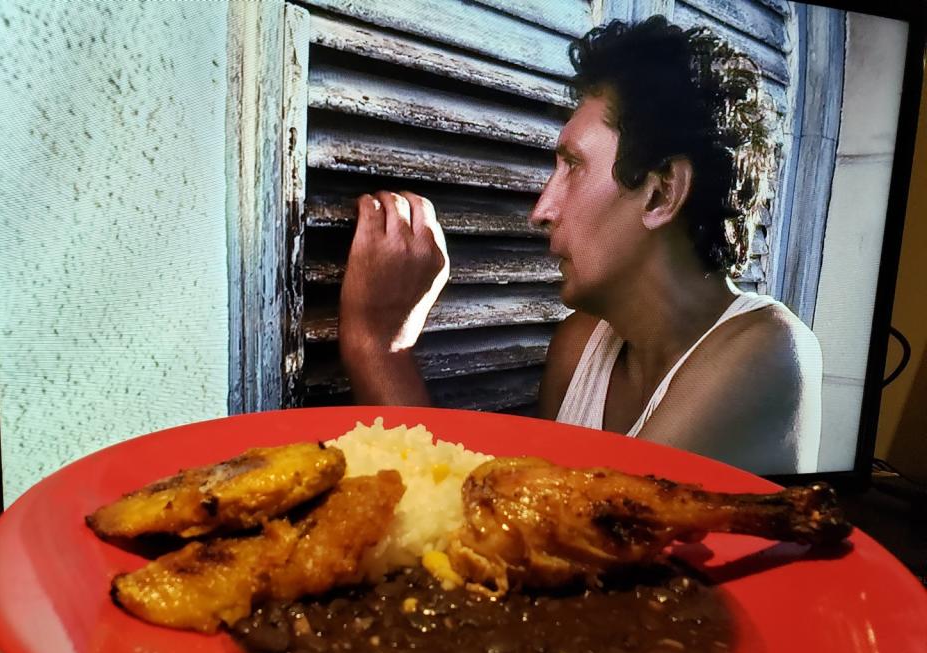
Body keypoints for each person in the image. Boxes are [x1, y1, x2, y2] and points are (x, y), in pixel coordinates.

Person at [338, 17, 822, 475]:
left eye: (573, 165)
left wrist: (380, 347)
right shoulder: (578, 349)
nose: (541, 210)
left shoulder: (769, 350)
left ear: (661, 194)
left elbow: (585, 541)